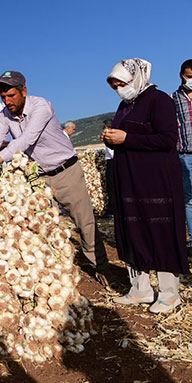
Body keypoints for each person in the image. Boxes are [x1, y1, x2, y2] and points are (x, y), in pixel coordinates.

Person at [0, 70, 110, 285]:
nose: (7, 101)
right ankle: (53, 270)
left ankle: (100, 267)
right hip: (37, 177)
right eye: (3, 97)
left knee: (84, 223)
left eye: (11, 96)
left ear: (24, 91)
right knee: (41, 224)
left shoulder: (41, 106)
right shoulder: (4, 115)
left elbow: (27, 138)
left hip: (65, 171)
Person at [104, 58, 190, 313]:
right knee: (133, 230)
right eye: (115, 85)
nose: (119, 88)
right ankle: (140, 289)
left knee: (160, 232)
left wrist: (127, 137)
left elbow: (167, 139)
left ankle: (169, 294)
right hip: (130, 178)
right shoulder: (125, 105)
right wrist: (110, 139)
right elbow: (124, 140)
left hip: (155, 179)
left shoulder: (159, 100)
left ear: (137, 78)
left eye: (122, 83)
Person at [172, 59, 192, 250]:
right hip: (185, 155)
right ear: (181, 76)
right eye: (189, 77)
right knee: (189, 200)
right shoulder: (173, 99)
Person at [102, 119, 115, 218]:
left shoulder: (110, 136)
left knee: (111, 187)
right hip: (113, 162)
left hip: (112, 162)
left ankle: (112, 210)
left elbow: (111, 152)